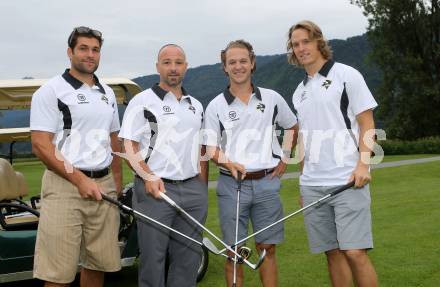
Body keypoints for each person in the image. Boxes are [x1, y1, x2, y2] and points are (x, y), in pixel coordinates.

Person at [287, 20, 379, 286]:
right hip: (313, 185)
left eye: (306, 41)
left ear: (319, 42)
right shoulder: (299, 91)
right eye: (295, 44)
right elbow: (304, 139)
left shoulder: (346, 75)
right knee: (333, 253)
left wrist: (363, 165)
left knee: (355, 252)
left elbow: (367, 123)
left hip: (348, 179)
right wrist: (303, 182)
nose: (301, 48)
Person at [30, 26, 122, 287]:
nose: (90, 54)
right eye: (83, 48)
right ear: (70, 52)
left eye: (95, 50)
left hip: (102, 188)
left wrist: (115, 182)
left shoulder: (107, 92)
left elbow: (113, 139)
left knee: (97, 265)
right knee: (58, 273)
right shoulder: (51, 91)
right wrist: (80, 180)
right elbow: (40, 145)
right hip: (65, 186)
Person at [203, 40, 297, 287]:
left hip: (267, 183)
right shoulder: (215, 106)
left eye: (243, 60)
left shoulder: (272, 98)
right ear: (224, 67)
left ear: (252, 63)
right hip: (232, 184)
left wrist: (285, 157)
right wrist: (228, 162)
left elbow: (292, 126)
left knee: (267, 248)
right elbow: (210, 148)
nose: (238, 66)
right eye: (232, 62)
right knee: (234, 252)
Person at [118, 44, 208, 287]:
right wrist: (147, 176)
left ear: (186, 67)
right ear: (158, 66)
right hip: (155, 192)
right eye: (167, 62)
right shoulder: (142, 101)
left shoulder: (196, 105)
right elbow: (129, 146)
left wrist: (202, 188)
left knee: (188, 260)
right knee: (152, 259)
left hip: (192, 189)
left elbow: (201, 150)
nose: (173, 68)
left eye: (178, 62)